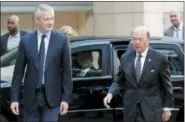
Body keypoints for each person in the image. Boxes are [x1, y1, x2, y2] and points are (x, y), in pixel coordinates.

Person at [10, 4, 73, 122]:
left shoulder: (62, 40)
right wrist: (14, 99)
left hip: (52, 98)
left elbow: (67, 72)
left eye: (52, 18)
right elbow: (18, 73)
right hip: (31, 98)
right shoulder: (26, 41)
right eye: (46, 19)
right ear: (37, 20)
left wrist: (66, 99)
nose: (50, 22)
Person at [103, 26, 174, 122]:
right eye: (134, 39)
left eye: (140, 39)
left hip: (151, 109)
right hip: (131, 109)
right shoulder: (125, 58)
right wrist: (110, 93)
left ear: (148, 39)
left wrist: (167, 108)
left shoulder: (159, 58)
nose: (137, 42)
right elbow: (119, 80)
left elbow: (167, 85)